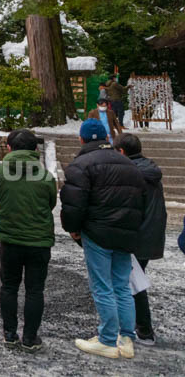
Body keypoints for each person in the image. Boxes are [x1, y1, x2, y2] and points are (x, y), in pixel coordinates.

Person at [60, 118, 145, 359]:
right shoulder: (128, 163)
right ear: (107, 139)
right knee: (122, 286)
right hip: (125, 232)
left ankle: (107, 339)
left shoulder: (81, 165)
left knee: (102, 286)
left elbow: (74, 203)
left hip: (98, 232)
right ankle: (126, 338)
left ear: (82, 139)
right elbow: (142, 200)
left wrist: (73, 228)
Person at [0, 129, 56, 352]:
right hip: (39, 241)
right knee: (35, 290)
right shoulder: (46, 177)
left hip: (10, 239)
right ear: (35, 150)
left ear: (9, 148)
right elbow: (51, 203)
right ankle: (30, 337)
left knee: (9, 287)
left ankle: (9, 334)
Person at [114, 133, 166, 346]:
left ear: (121, 152)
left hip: (137, 235)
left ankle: (143, 330)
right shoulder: (150, 170)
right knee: (133, 280)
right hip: (151, 232)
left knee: (132, 283)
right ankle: (137, 326)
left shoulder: (132, 175)